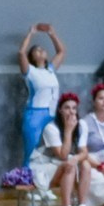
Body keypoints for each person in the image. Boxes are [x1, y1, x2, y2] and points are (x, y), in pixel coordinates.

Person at [17, 22, 65, 173]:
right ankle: (27, 184)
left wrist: (52, 33)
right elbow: (21, 53)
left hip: (50, 114)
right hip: (35, 113)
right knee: (31, 151)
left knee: (49, 150)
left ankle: (42, 184)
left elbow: (61, 51)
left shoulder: (50, 69)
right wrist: (31, 33)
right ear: (32, 56)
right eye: (36, 50)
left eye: (42, 49)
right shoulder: (30, 71)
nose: (41, 51)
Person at [35, 90, 91, 206]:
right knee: (69, 163)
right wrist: (68, 130)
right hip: (45, 166)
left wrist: (76, 158)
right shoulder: (51, 128)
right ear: (59, 110)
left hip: (64, 164)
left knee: (86, 164)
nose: (71, 112)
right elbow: (63, 155)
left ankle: (82, 205)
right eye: (67, 108)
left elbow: (84, 152)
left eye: (74, 108)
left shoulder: (82, 124)